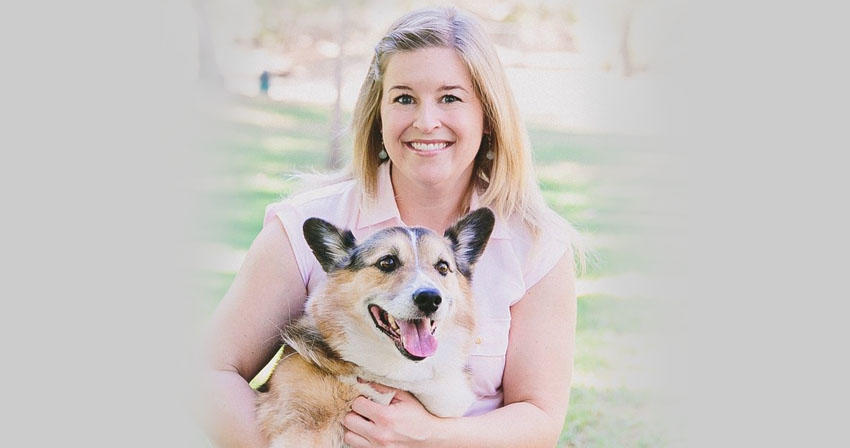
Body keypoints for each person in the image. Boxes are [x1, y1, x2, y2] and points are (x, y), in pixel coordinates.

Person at [202, 6, 579, 447]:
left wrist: (430, 436)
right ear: (378, 114)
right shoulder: (303, 224)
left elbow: (540, 418)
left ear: (488, 115)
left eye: (450, 97)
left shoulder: (536, 245)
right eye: (404, 98)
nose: (426, 121)